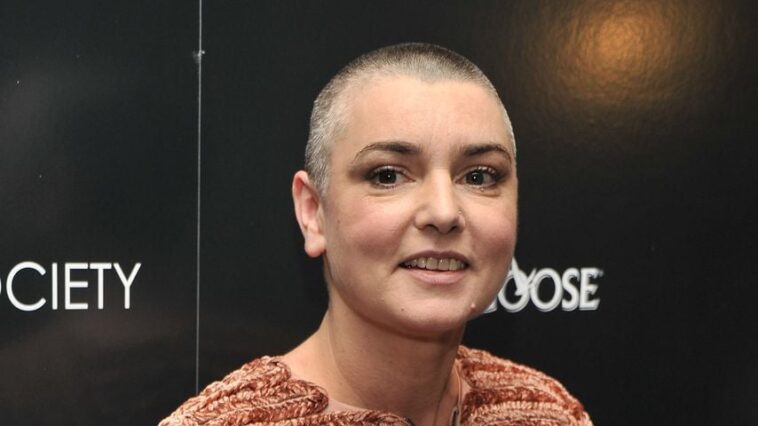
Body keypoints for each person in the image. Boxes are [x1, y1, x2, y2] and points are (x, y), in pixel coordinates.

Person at [160, 43, 592, 426]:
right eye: (388, 175)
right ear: (313, 212)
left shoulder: (548, 412)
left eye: (479, 176)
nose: (444, 212)